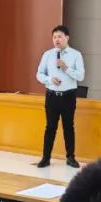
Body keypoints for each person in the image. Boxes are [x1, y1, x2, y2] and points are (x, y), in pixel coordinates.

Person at [35, 24, 84, 168]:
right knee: (50, 127)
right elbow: (39, 74)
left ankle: (70, 157)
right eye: (54, 37)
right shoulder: (47, 55)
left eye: (60, 37)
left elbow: (81, 76)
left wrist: (66, 68)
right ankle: (46, 158)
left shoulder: (76, 55)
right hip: (52, 96)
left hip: (69, 96)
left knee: (68, 127)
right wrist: (50, 80)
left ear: (67, 37)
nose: (57, 39)